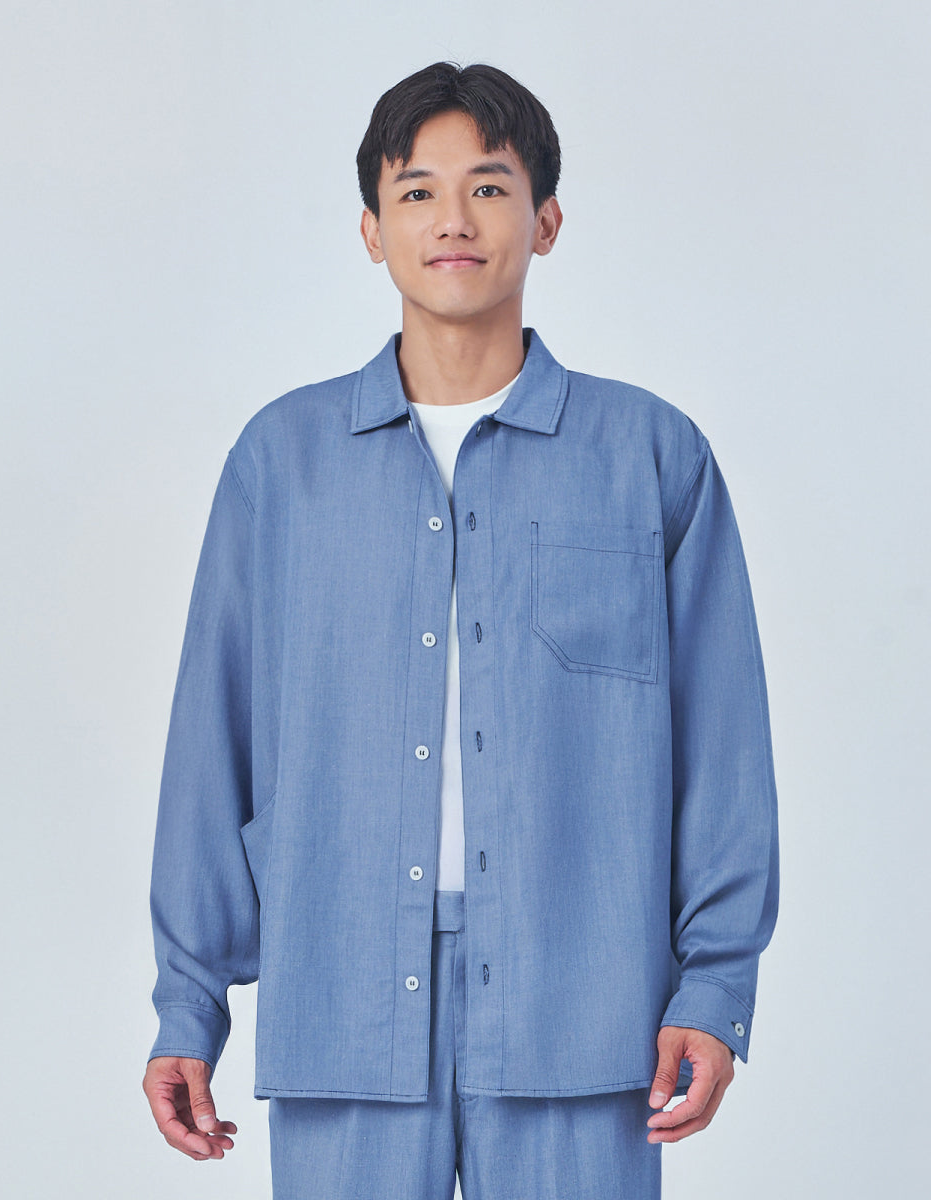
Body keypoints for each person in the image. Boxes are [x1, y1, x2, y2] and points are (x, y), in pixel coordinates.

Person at [143, 60, 779, 1199]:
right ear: (371, 231)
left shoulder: (649, 458)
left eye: (488, 188)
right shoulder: (281, 466)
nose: (453, 220)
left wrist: (715, 988)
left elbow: (723, 750)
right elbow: (214, 744)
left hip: (583, 1015)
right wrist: (189, 1005)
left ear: (546, 221)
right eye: (417, 191)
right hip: (343, 1004)